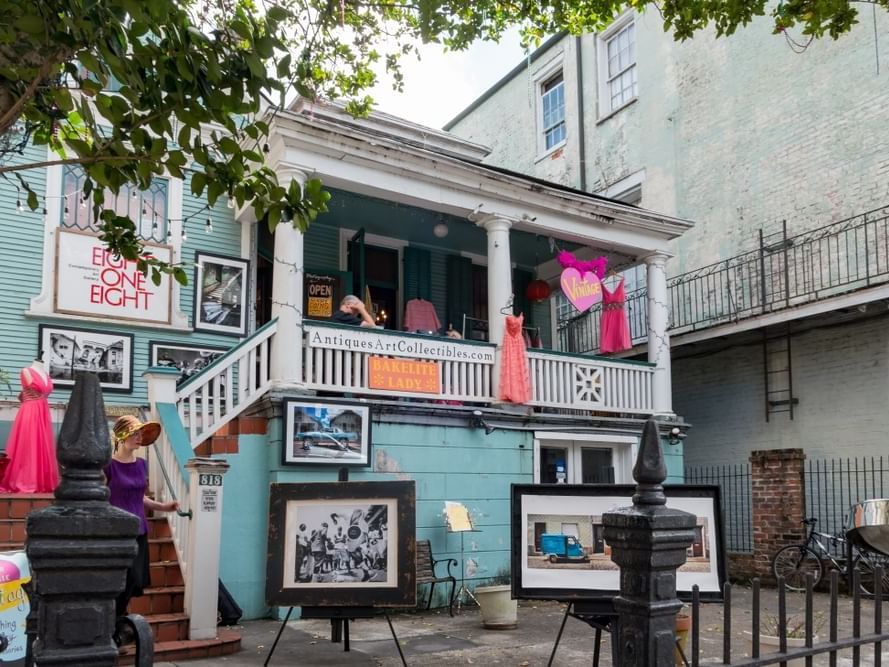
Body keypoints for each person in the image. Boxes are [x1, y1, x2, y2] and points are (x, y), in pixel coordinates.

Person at [105, 415, 179, 641]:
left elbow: (140, 497)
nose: (139, 438)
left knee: (135, 580)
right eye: (134, 434)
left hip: (139, 530)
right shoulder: (108, 466)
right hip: (117, 533)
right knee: (120, 581)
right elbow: (102, 497)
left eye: (140, 434)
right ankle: (115, 626)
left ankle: (118, 621)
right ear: (121, 436)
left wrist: (164, 507)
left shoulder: (142, 465)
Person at [0, 355, 59, 493]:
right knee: (28, 445)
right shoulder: (26, 371)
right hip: (30, 411)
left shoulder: (45, 375)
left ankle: (40, 481)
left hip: (43, 412)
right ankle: (26, 480)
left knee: (40, 446)